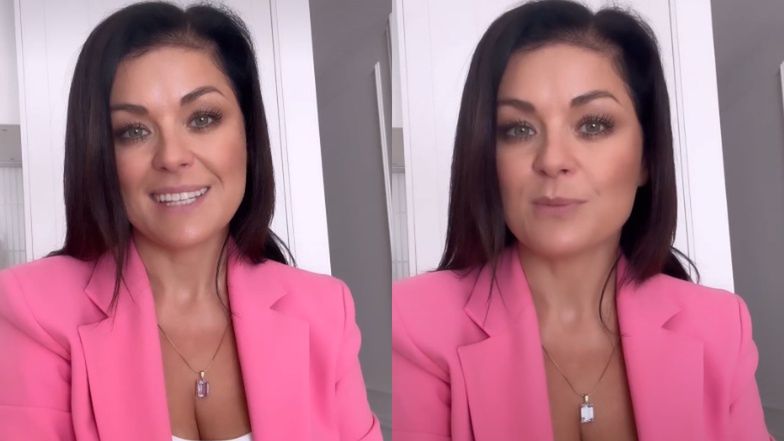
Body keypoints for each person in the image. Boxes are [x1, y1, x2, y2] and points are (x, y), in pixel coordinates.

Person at [391, 1, 772, 440]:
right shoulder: (413, 323)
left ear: (647, 158)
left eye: (593, 125)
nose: (552, 160)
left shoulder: (721, 328)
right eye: (518, 129)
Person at [0, 3, 381, 440]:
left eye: (203, 119)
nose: (172, 157)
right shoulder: (31, 309)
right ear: (100, 154)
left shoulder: (325, 310)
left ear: (248, 135)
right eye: (133, 131)